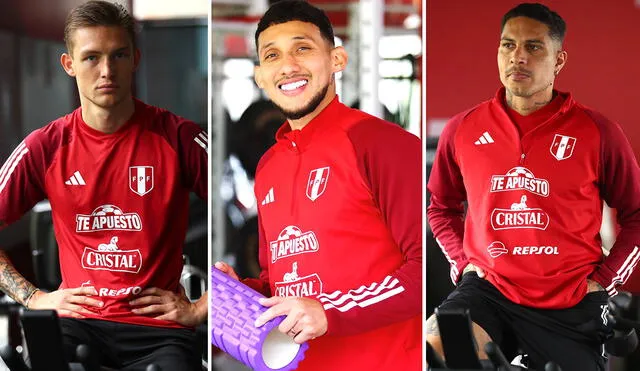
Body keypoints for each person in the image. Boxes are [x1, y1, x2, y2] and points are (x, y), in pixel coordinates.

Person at [427, 3, 640, 370]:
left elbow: (637, 214)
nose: (518, 57)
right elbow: (441, 208)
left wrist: (606, 279)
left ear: (559, 60)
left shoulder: (598, 131)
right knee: (442, 346)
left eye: (534, 47)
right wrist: (463, 262)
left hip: (570, 302)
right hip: (489, 290)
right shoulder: (463, 128)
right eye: (508, 45)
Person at [214, 1, 422, 370]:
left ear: (337, 60)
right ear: (261, 76)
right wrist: (240, 294)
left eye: (303, 48)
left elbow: (422, 273)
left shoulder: (383, 144)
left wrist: (328, 312)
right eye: (272, 55)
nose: (288, 65)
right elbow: (280, 283)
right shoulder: (267, 167)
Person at [0, 1, 208, 369]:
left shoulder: (179, 138)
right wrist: (33, 298)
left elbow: (255, 218)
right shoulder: (44, 147)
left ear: (135, 59)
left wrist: (201, 307)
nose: (107, 71)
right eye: (92, 58)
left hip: (159, 330)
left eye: (119, 55)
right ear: (69, 65)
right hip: (78, 325)